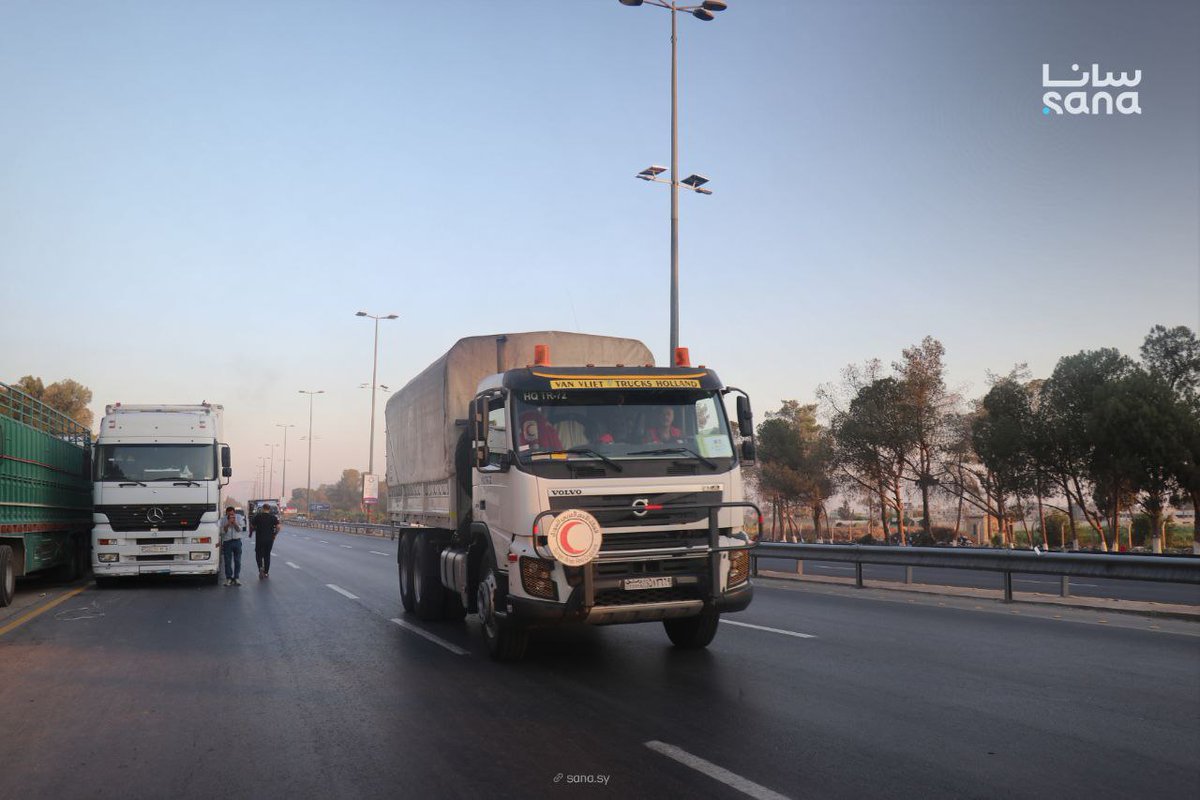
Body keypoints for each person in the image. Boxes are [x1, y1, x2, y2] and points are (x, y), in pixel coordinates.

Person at [249, 503, 281, 579]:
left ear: (263, 509)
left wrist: (253, 530)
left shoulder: (258, 516)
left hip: (260, 539)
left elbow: (252, 525)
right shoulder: (273, 517)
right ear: (269, 509)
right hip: (269, 539)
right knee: (267, 555)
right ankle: (266, 572)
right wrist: (275, 534)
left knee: (258, 554)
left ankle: (260, 567)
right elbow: (278, 527)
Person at [218, 505, 245, 586]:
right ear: (226, 514)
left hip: (237, 541)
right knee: (227, 561)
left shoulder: (239, 517)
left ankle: (236, 578)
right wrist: (228, 523)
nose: (231, 516)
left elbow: (240, 529)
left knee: (237, 561)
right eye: (229, 514)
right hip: (227, 542)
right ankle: (228, 578)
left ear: (234, 513)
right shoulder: (223, 519)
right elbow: (222, 531)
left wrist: (235, 523)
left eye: (232, 514)